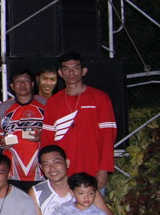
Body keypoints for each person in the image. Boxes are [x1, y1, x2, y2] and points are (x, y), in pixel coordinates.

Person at [41, 52, 117, 190]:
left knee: (93, 204)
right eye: (66, 68)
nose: (71, 72)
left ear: (83, 71)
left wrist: (104, 168)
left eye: (76, 68)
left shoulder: (100, 98)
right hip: (62, 173)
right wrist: (49, 169)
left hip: (93, 170)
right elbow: (47, 139)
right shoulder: (53, 102)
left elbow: (108, 136)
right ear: (60, 73)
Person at [0, 69, 46, 191]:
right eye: (18, 81)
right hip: (12, 172)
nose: (22, 84)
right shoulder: (4, 107)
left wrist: (43, 137)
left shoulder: (45, 104)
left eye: (26, 80)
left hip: (41, 171)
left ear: (32, 84)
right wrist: (2, 143)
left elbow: (56, 133)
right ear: (12, 86)